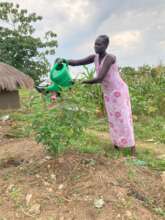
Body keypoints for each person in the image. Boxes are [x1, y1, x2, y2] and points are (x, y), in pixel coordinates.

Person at [57, 35, 136, 156]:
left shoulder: (110, 58)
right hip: (108, 92)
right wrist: (64, 61)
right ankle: (117, 145)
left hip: (118, 91)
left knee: (123, 119)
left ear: (106, 46)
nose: (96, 46)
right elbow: (77, 62)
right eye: (95, 44)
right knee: (113, 119)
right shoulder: (95, 57)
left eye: (99, 44)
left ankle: (132, 147)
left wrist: (78, 81)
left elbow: (99, 78)